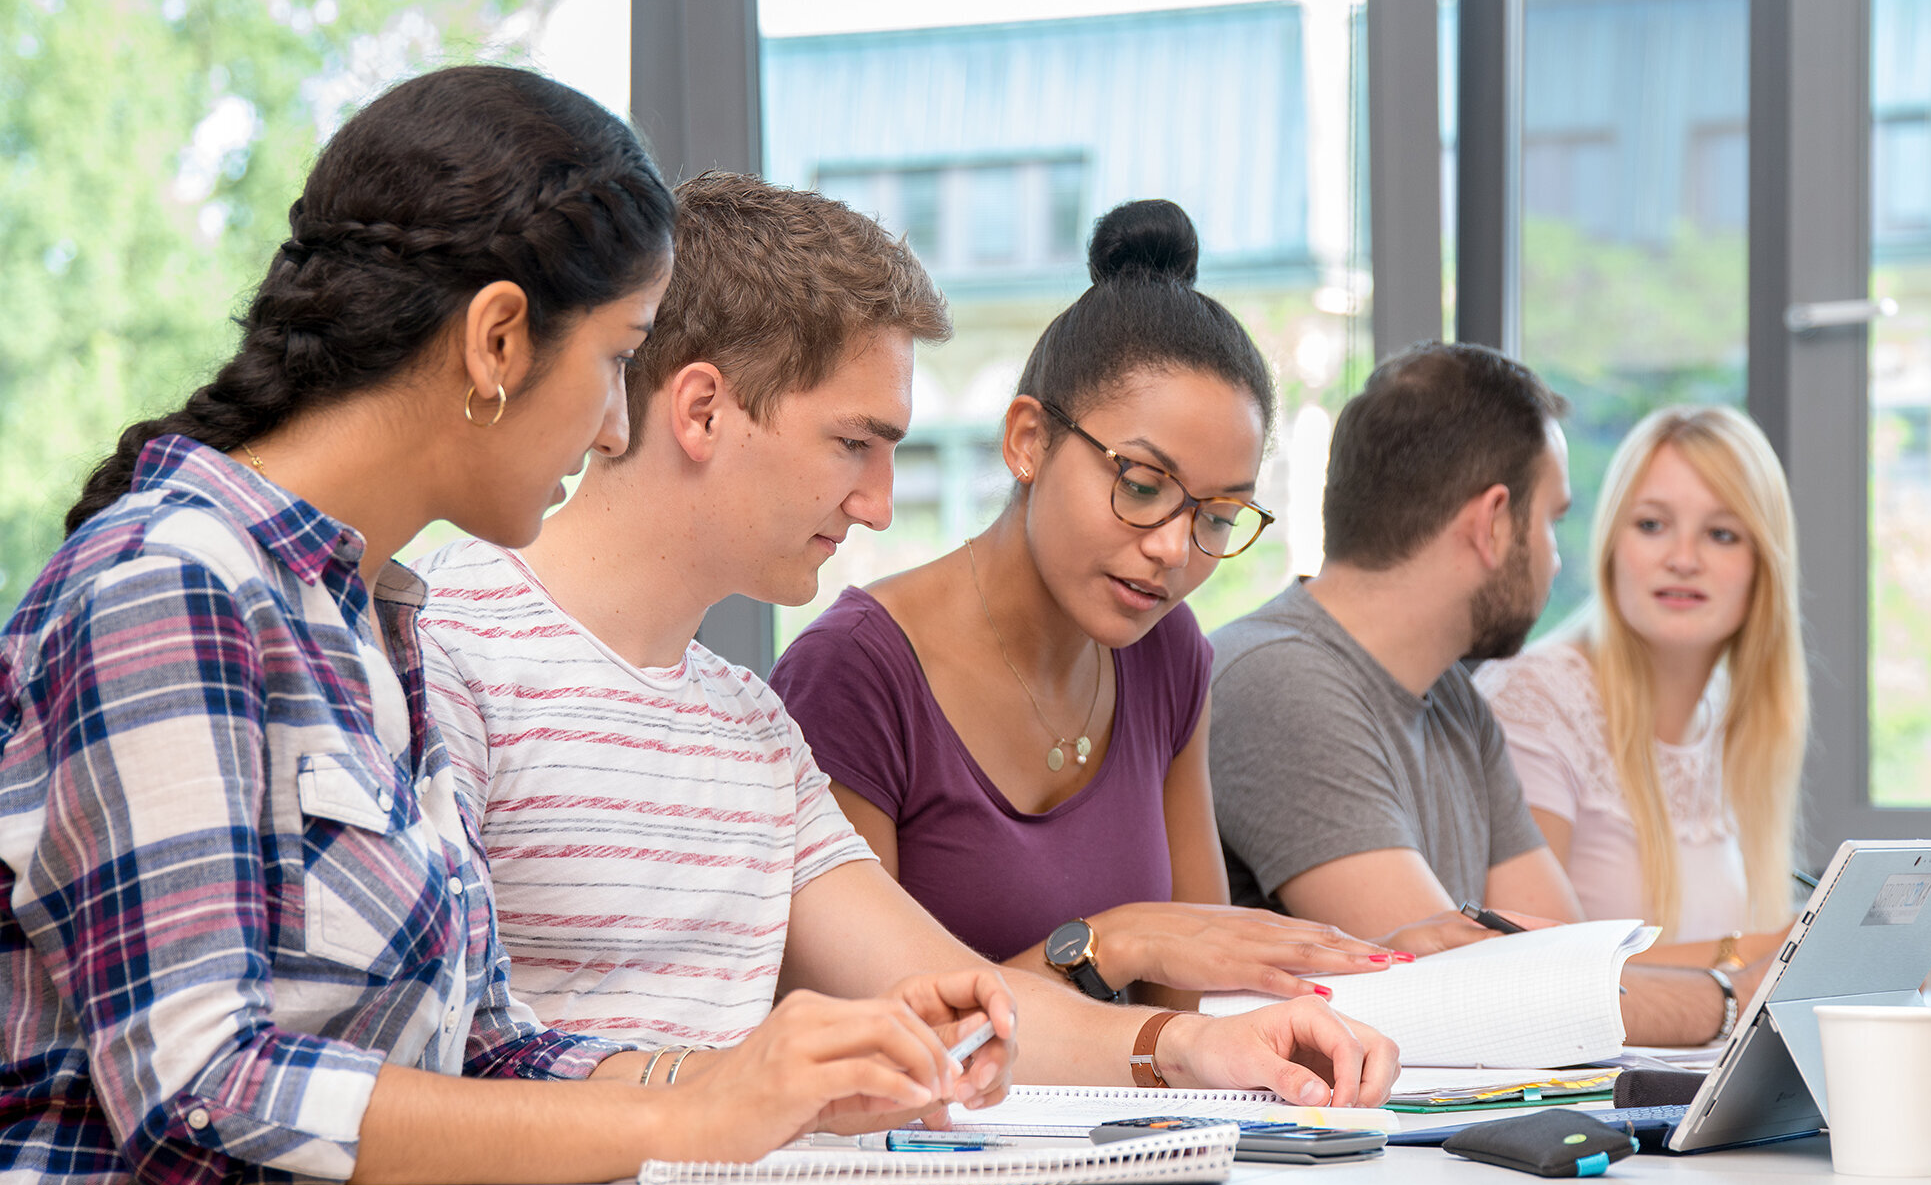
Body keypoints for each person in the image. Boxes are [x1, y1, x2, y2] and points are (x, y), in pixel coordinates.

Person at [0, 69, 1021, 1185]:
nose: (609, 427)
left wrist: (765, 1084)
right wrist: (698, 1117)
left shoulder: (370, 620)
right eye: (614, 360)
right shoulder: (167, 586)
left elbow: (486, 1051)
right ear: (497, 341)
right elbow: (206, 1096)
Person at [416, 175, 1397, 1105]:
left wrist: (1186, 1046)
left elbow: (946, 1000)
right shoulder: (447, 657)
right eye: (856, 443)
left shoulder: (751, 728)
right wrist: (717, 1098)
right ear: (703, 410)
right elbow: (388, 1082)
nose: (880, 507)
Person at [766, 199, 1406, 1009]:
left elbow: (1190, 993)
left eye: (1215, 516)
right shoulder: (853, 673)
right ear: (1028, 440)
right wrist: (1115, 942)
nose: (1175, 550)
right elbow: (859, 1031)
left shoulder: (1168, 652)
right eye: (1141, 486)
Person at [1207, 342, 1767, 1046]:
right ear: (1493, 521)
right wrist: (1733, 993)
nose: (1559, 557)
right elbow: (1487, 997)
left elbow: (1578, 963)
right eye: (1552, 519)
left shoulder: (1454, 697)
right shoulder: (1277, 682)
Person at [1474, 405, 1807, 968]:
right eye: (1651, 525)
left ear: (1763, 567)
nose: (1682, 560)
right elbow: (1536, 970)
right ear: (1610, 546)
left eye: (1721, 534)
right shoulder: (1537, 698)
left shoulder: (1740, 716)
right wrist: (1758, 953)